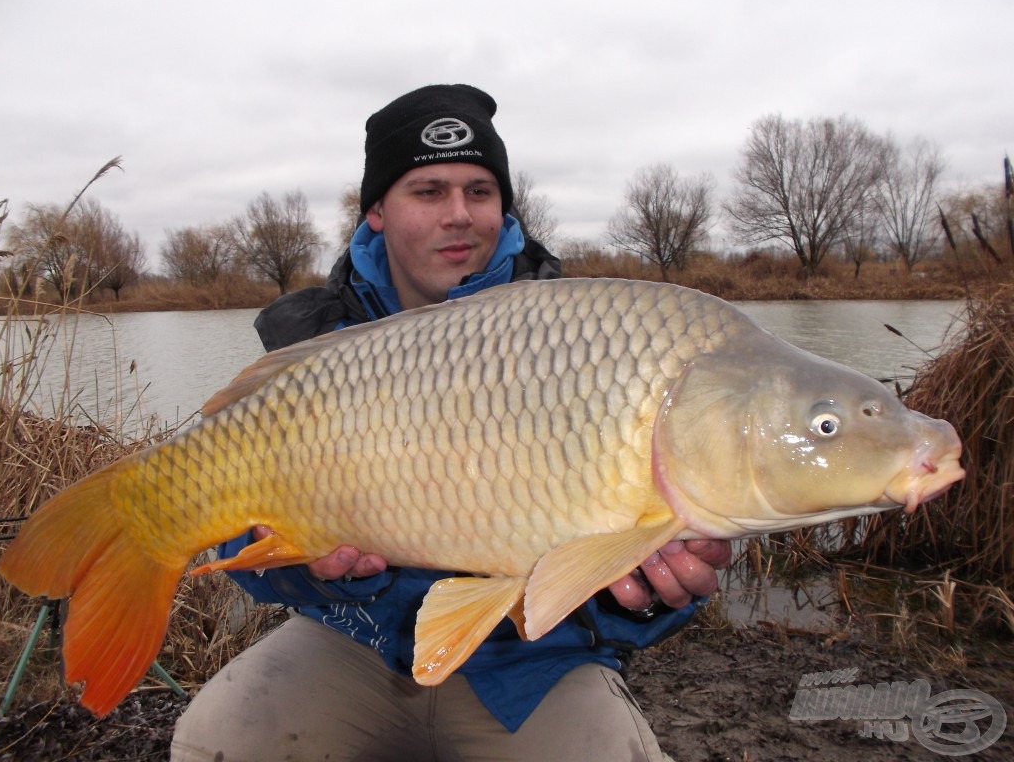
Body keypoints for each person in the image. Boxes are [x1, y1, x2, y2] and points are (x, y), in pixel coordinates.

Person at [171, 84, 732, 762]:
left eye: (480, 191)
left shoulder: (589, 340)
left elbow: (626, 597)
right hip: (356, 640)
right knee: (216, 740)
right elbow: (247, 558)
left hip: (531, 665)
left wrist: (645, 599)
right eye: (429, 191)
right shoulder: (320, 348)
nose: (460, 215)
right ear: (378, 209)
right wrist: (327, 571)